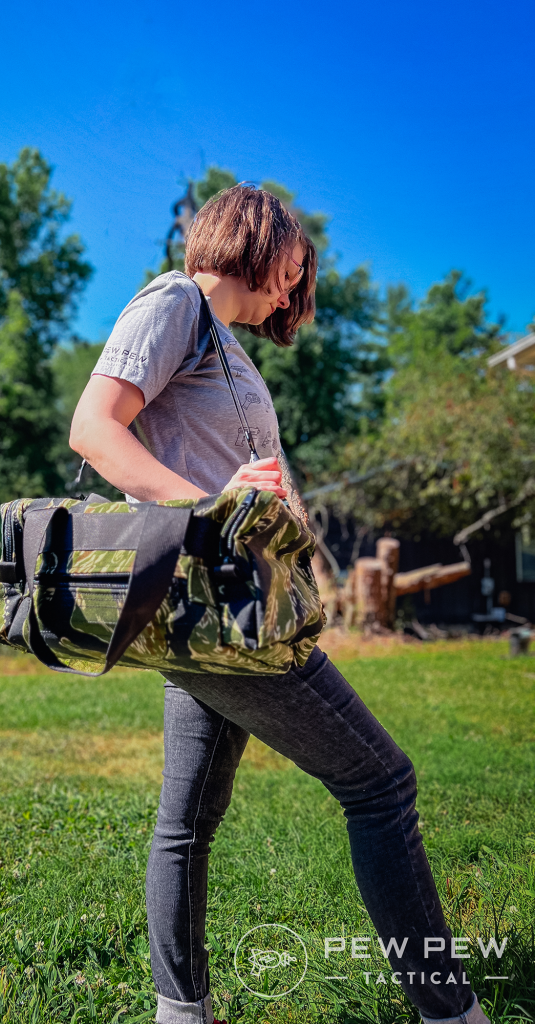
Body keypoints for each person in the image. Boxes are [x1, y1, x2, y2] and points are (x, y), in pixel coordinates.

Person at [69, 185, 489, 1024]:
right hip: (225, 610)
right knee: (381, 784)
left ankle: (179, 1013)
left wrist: (273, 508)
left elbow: (233, 470)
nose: (293, 292)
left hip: (215, 613)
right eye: (291, 270)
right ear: (253, 240)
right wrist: (219, 507)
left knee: (186, 821)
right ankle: (449, 1010)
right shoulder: (172, 302)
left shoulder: (223, 343)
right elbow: (95, 429)